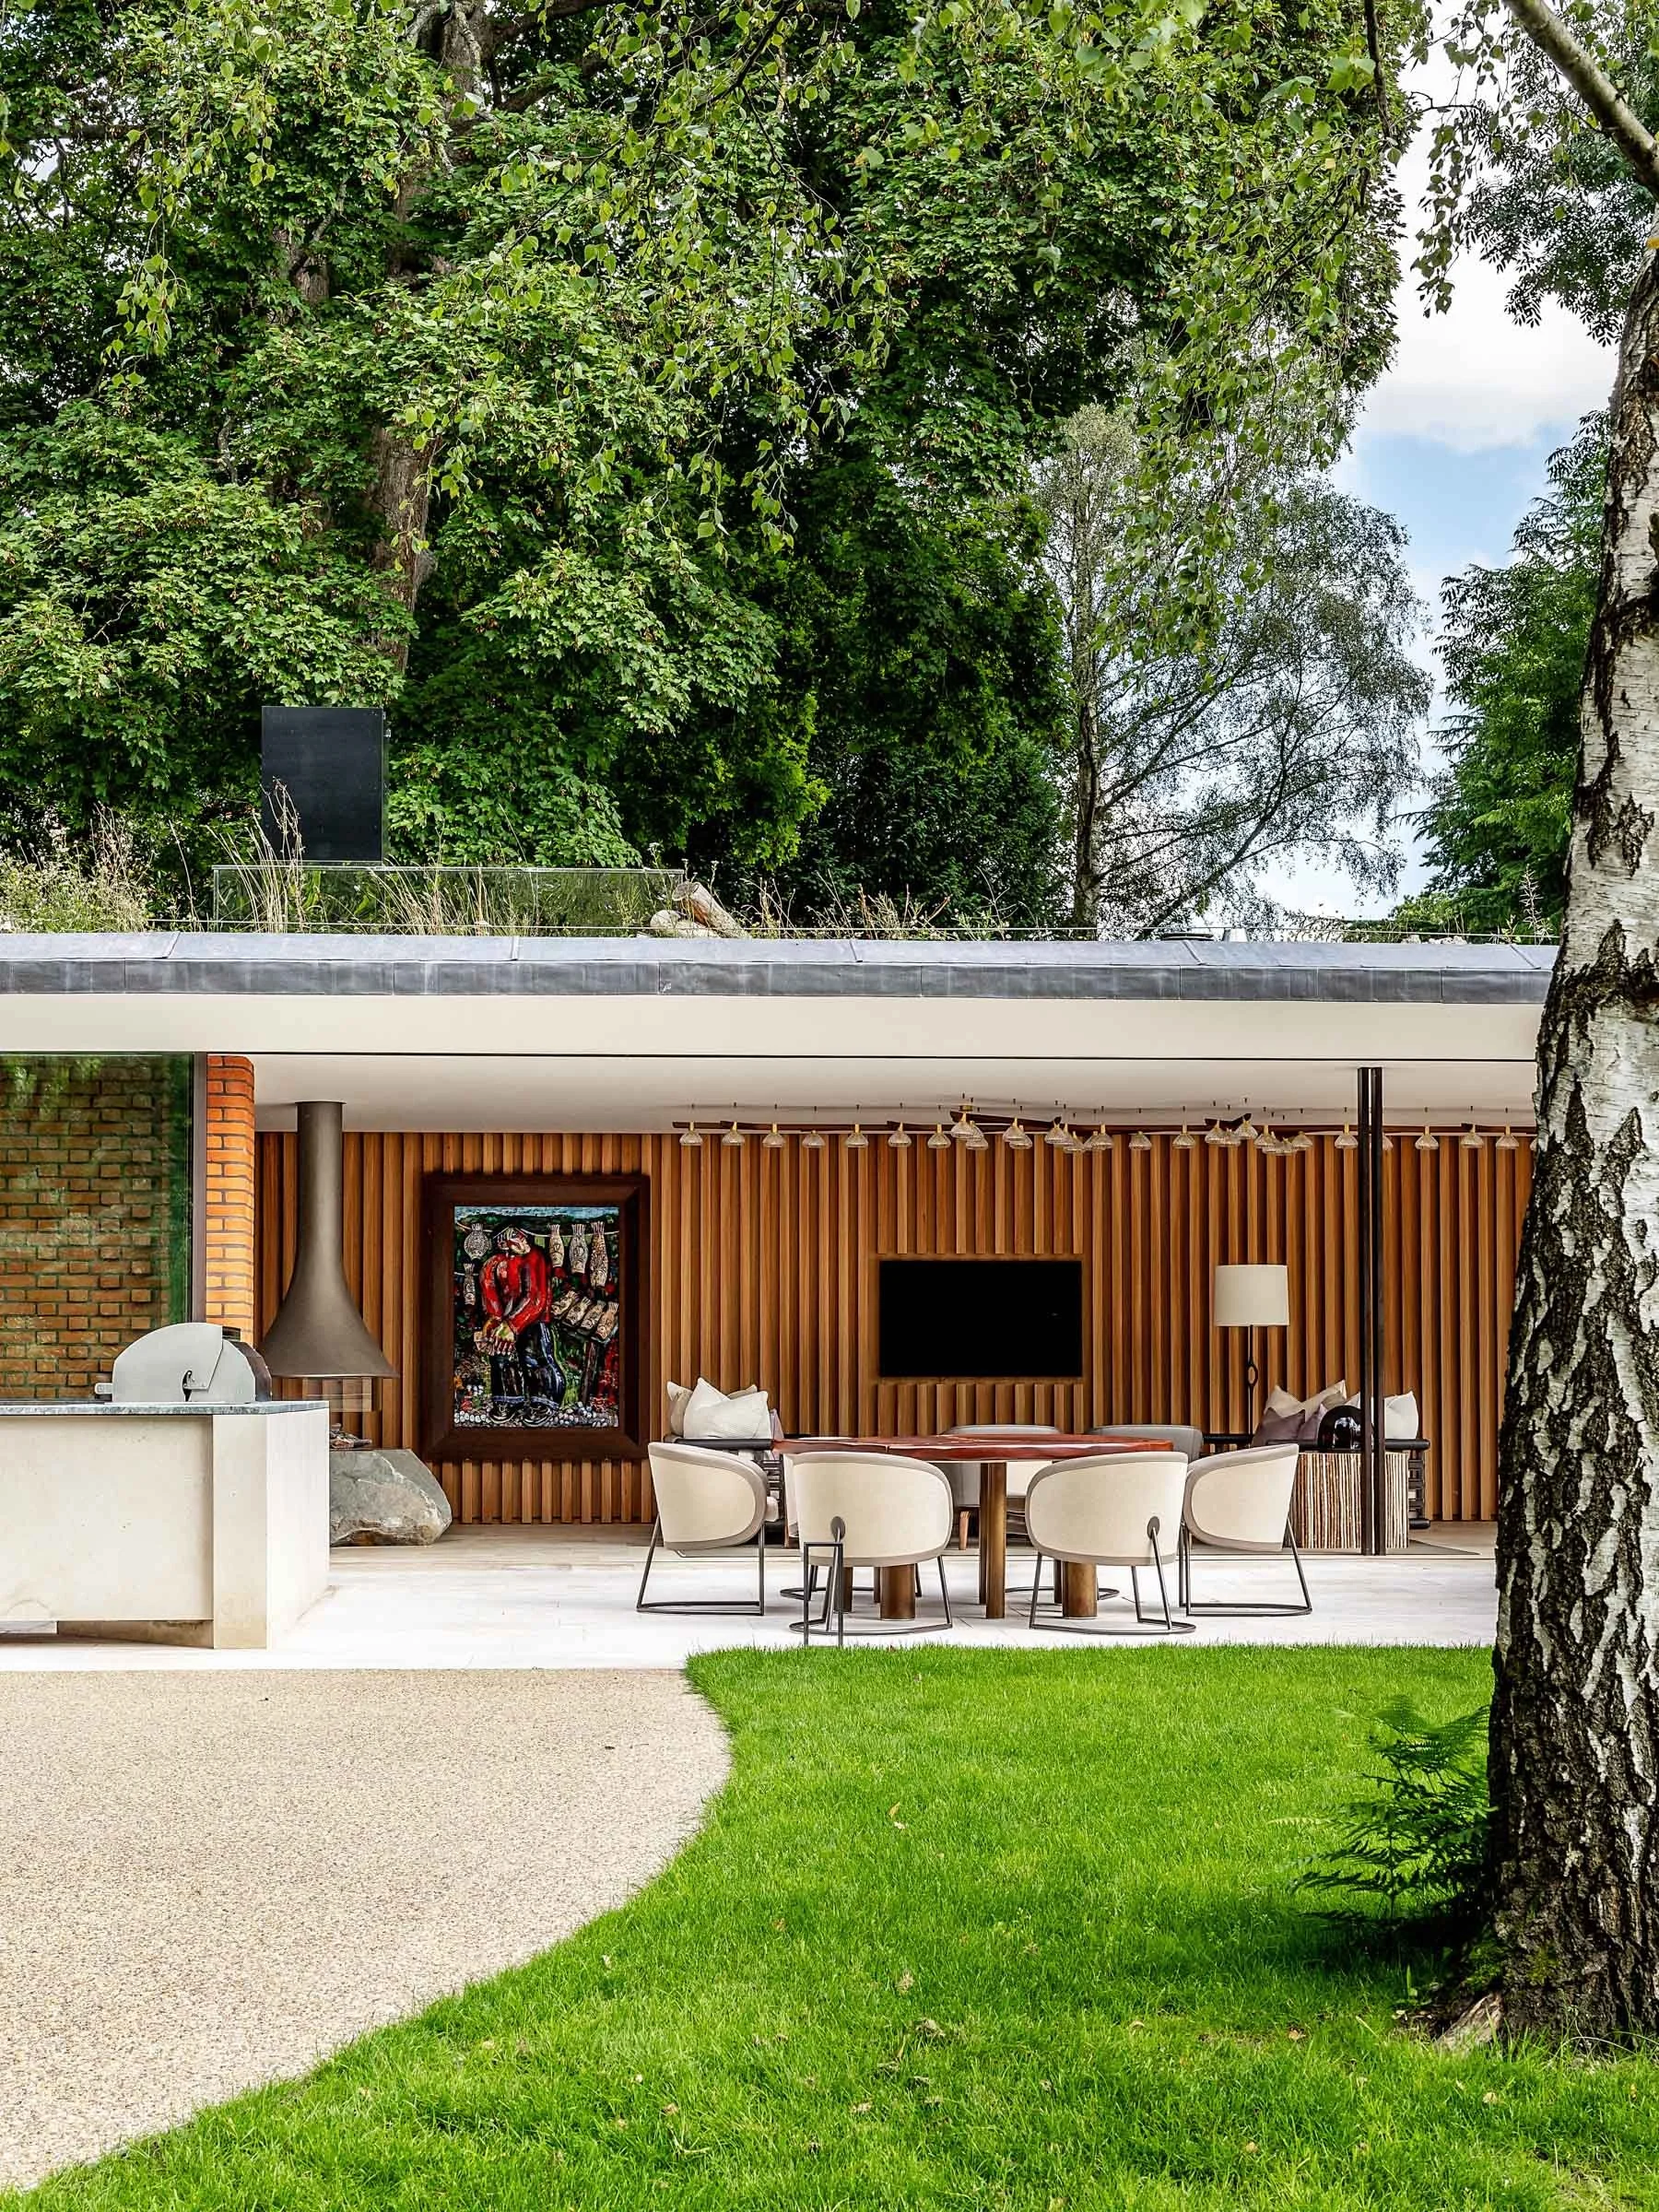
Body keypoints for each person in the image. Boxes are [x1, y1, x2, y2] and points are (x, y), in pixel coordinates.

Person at [476, 1225, 564, 1408]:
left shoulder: (535, 1257)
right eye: (515, 1236)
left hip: (534, 1320)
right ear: (502, 1242)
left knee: (535, 1357)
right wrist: (495, 1322)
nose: (522, 1241)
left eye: (522, 1236)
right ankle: (507, 1400)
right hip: (505, 1320)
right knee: (501, 1358)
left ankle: (544, 1400)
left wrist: (512, 1325)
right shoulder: (492, 1264)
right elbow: (489, 1294)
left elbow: (535, 1298)